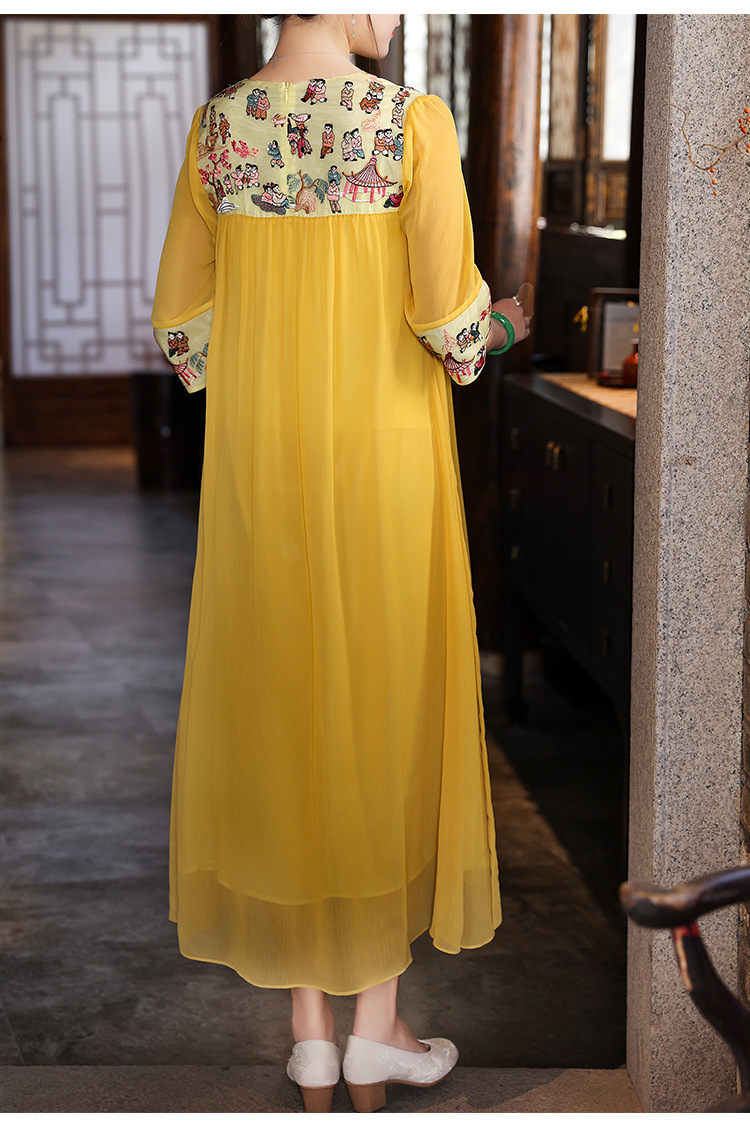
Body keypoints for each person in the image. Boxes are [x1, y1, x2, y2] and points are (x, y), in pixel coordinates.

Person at [151, 12, 530, 1115]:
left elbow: (184, 330)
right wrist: (503, 326)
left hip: (263, 471)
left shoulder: (220, 130)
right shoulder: (409, 122)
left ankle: (311, 1039)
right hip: (384, 469)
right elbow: (450, 326)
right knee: (379, 711)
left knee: (283, 710)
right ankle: (376, 1032)